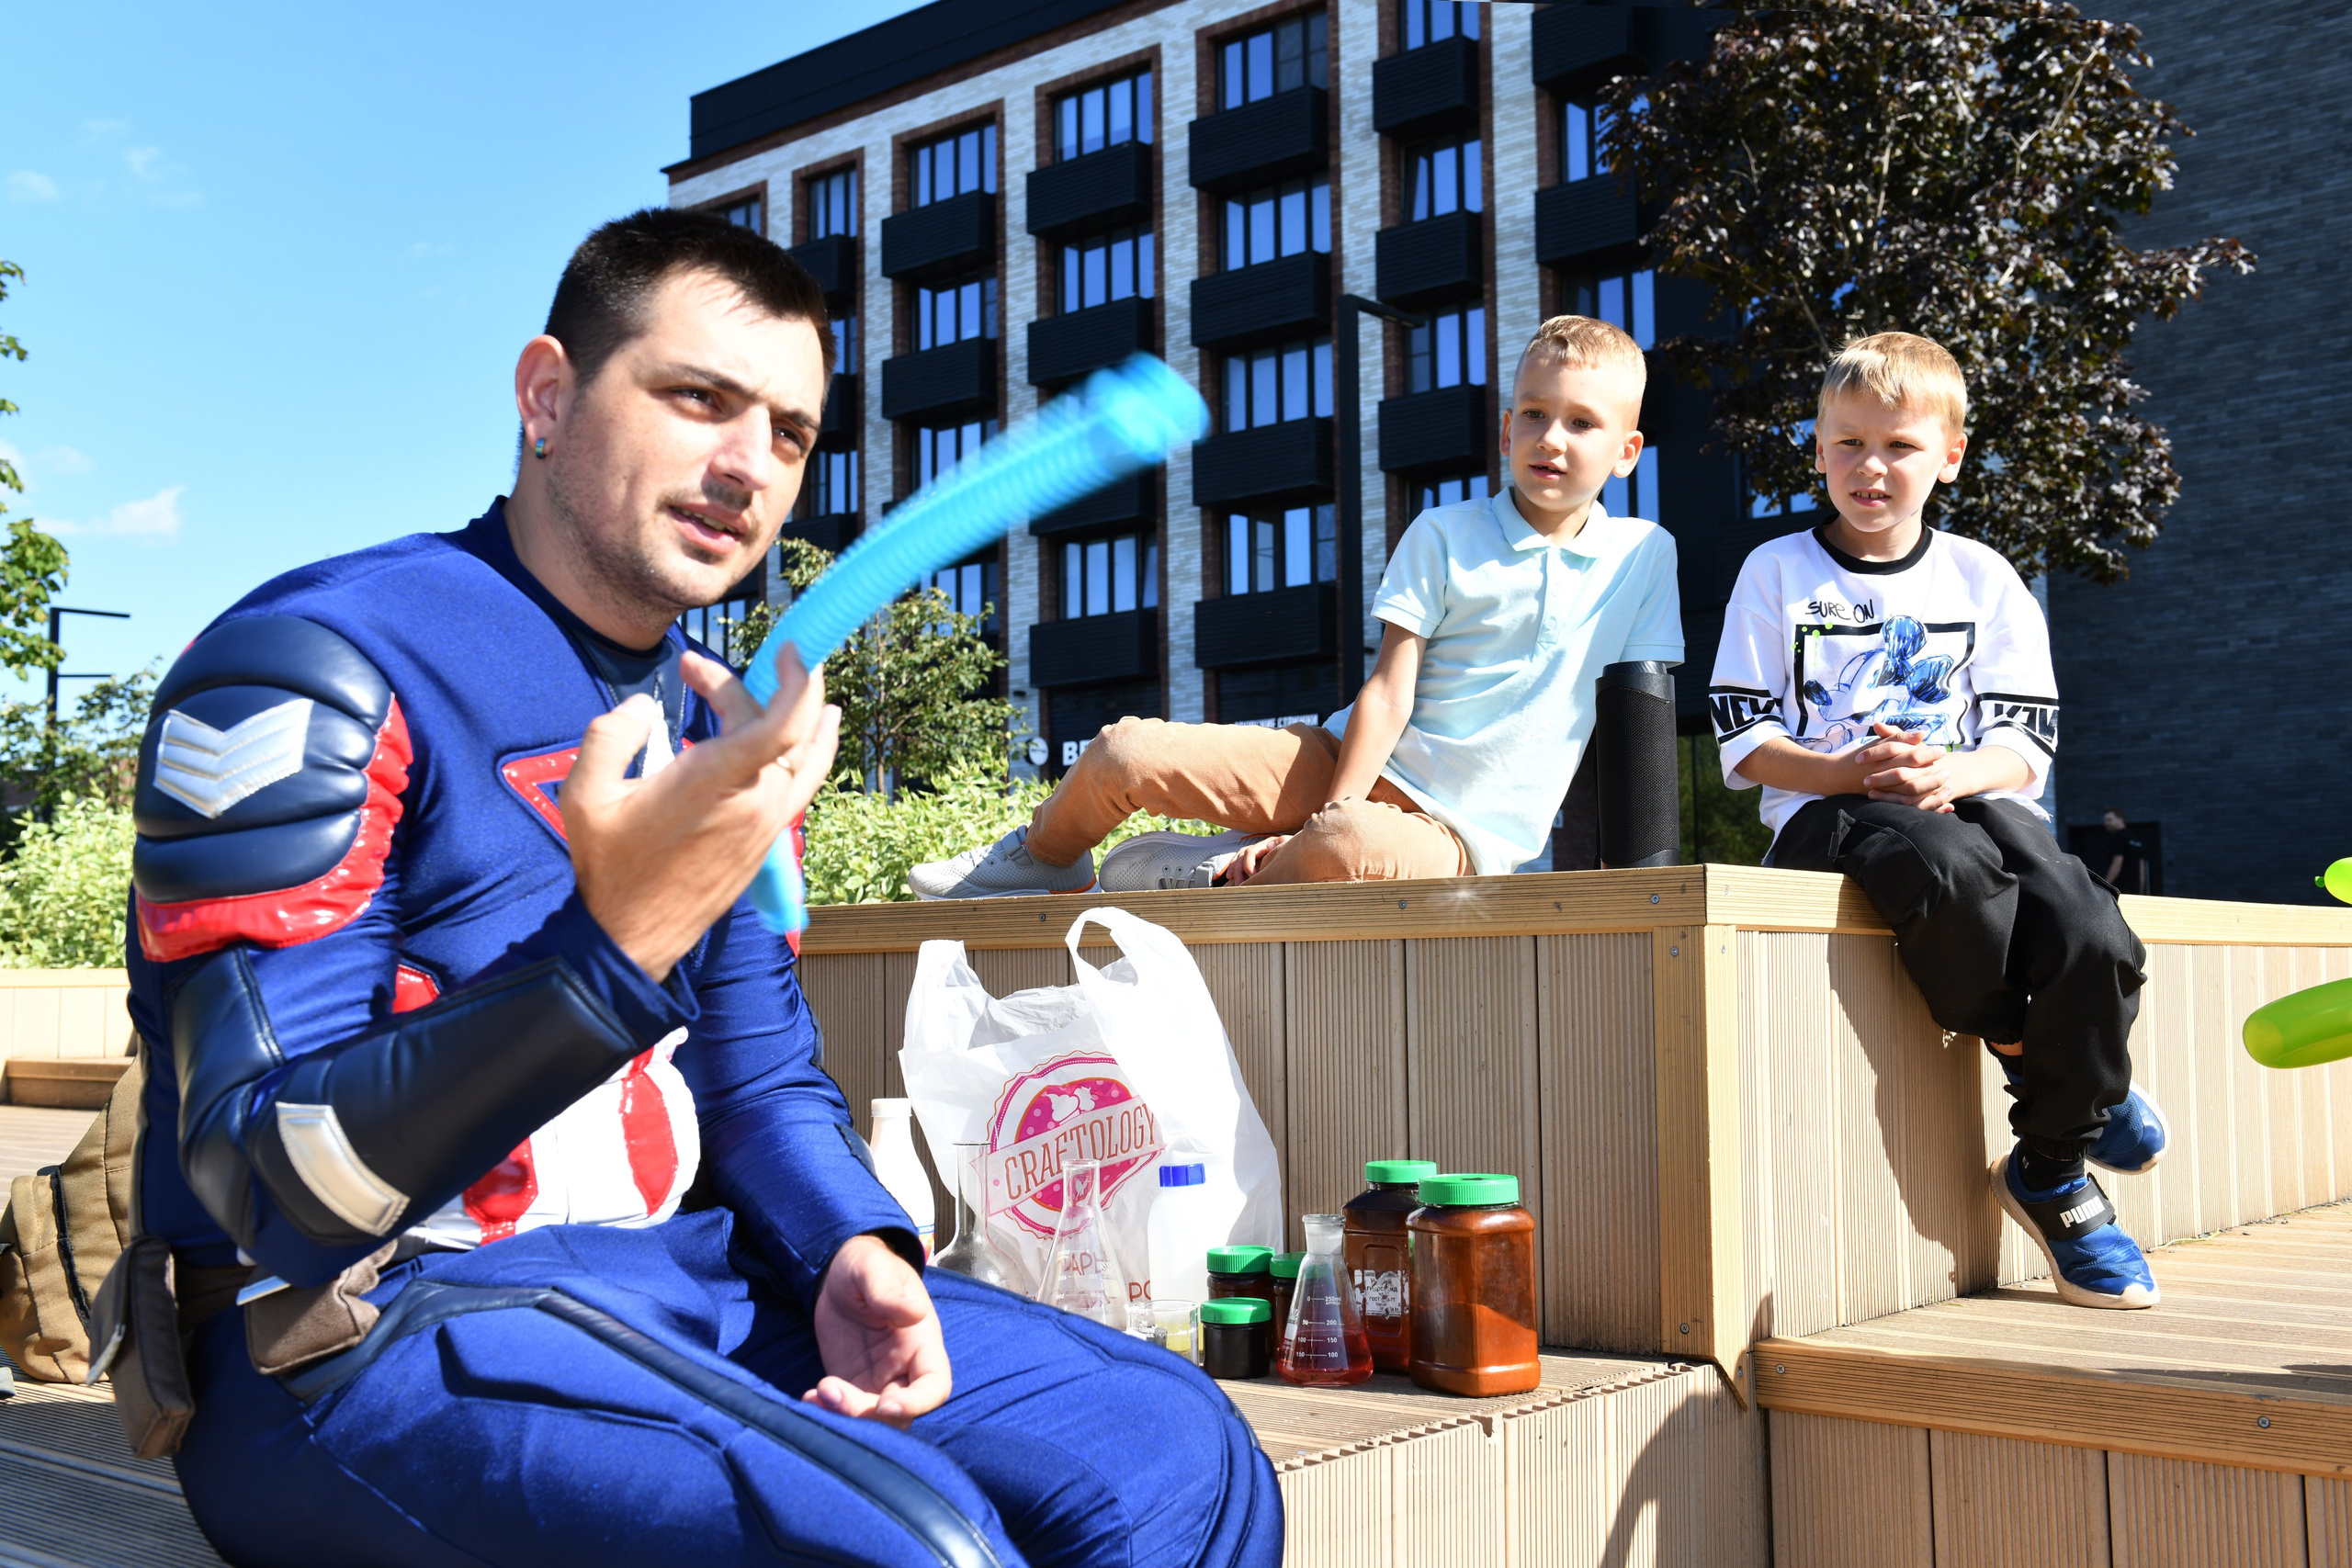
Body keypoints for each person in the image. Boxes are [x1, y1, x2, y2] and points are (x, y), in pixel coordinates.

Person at [120, 209, 1280, 1568]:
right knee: (909, 1549)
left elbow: (757, 1076)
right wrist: (611, 949)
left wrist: (851, 1246)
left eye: (788, 433)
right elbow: (269, 1182)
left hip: (678, 1279)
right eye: (696, 399)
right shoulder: (310, 662)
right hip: (345, 1335)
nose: (747, 466)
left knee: (1179, 1455)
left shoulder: (702, 710)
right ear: (547, 394)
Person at [1708, 332, 2168, 1311]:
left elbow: (2023, 743)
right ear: (1817, 449)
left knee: (2089, 925)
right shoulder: (1775, 571)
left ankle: (2047, 1158)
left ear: (1949, 455)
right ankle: (2075, 1094)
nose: (1869, 467)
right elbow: (1743, 740)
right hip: (1829, 811)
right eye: (1845, 444)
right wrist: (1845, 767)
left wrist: (1950, 769)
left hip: (1971, 793)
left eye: (1898, 446)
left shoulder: (1980, 576)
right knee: (1952, 874)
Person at [911, 314, 1682, 897]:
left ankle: (1231, 869)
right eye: (1536, 414)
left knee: (1342, 852)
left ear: (1626, 452)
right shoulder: (1445, 533)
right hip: (1342, 764)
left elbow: (1634, 718)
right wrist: (1328, 806)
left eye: (1582, 422)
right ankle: (1044, 858)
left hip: (1456, 833)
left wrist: (1636, 877)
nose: (1552, 437)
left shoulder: (1645, 556)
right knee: (1123, 751)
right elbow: (1388, 691)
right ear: (1507, 427)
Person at [2101, 807, 2150, 894]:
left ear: (2120, 820)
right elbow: (2141, 867)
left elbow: (2117, 864)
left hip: (2120, 891)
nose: (2106, 823)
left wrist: (2103, 887)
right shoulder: (2135, 839)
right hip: (2134, 892)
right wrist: (2141, 891)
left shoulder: (2118, 838)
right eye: (2105, 820)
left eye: (2109, 820)